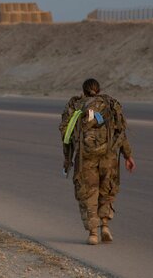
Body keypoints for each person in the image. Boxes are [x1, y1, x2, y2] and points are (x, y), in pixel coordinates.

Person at [59, 78, 135, 245]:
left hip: (85, 158)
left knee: (88, 193)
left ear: (84, 91)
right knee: (107, 191)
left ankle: (93, 234)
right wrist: (127, 156)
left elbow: (66, 136)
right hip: (108, 157)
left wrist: (67, 160)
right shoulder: (110, 104)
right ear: (99, 90)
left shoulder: (75, 106)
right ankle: (105, 226)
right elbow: (120, 133)